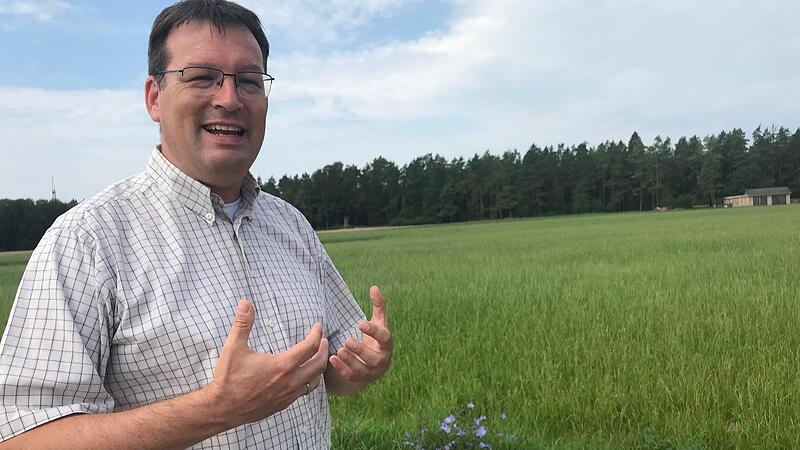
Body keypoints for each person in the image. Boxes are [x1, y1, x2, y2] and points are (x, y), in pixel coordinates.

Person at [0, 0, 392, 448]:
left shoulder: (291, 225)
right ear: (154, 97)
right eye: (202, 77)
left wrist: (363, 365)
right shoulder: (88, 242)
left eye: (249, 80)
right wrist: (217, 408)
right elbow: (22, 438)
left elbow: (335, 371)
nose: (229, 99)